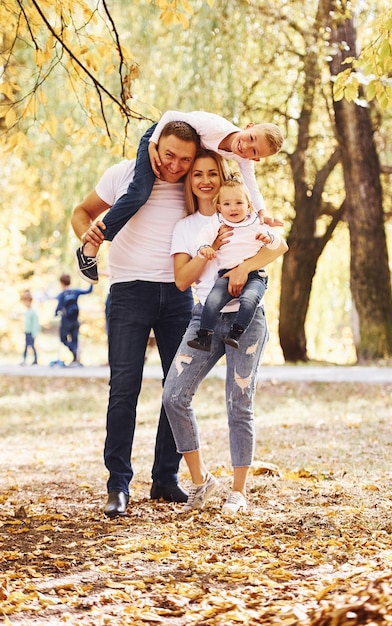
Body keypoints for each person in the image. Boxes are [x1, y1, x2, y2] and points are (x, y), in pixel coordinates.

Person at [70, 121, 200, 517]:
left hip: (178, 296)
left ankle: (165, 479)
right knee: (124, 388)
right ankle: (118, 485)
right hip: (128, 293)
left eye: (185, 159)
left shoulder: (193, 183)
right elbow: (81, 212)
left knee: (175, 390)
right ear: (155, 145)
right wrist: (87, 237)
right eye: (169, 154)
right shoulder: (123, 175)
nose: (175, 165)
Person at [161, 148, 288, 515]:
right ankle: (202, 482)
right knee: (174, 396)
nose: (204, 180)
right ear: (191, 181)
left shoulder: (249, 214)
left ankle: (238, 491)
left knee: (239, 401)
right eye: (196, 174)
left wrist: (242, 269)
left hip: (246, 321)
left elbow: (280, 246)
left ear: (222, 179)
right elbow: (183, 280)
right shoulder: (187, 228)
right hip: (205, 317)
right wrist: (209, 250)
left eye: (211, 173)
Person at [75, 110, 284, 284]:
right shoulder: (214, 126)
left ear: (255, 158)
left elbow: (251, 189)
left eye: (253, 150)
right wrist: (152, 144)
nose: (245, 146)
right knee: (139, 192)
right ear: (248, 126)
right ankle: (91, 247)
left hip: (185, 147)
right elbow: (170, 115)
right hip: (159, 134)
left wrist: (262, 215)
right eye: (251, 138)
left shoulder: (242, 160)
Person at [187, 177, 281, 352]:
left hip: (254, 275)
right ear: (219, 207)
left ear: (249, 206)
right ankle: (204, 336)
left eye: (239, 202)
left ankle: (236, 332)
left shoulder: (255, 222)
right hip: (226, 273)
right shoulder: (218, 222)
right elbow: (203, 236)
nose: (233, 208)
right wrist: (205, 247)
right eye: (227, 204)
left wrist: (268, 238)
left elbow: (277, 243)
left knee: (249, 299)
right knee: (213, 300)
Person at [55, 274, 93, 364]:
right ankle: (76, 357)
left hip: (66, 321)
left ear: (61, 283)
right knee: (75, 339)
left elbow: (58, 307)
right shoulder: (75, 291)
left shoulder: (62, 294)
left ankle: (73, 350)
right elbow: (88, 291)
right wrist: (92, 281)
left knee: (63, 339)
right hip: (75, 320)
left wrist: (56, 313)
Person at [20, 290, 40, 366]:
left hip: (31, 332)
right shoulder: (27, 312)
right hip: (27, 331)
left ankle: (35, 359)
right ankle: (24, 359)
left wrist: (34, 333)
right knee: (26, 346)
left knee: (32, 346)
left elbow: (35, 324)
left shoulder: (32, 312)